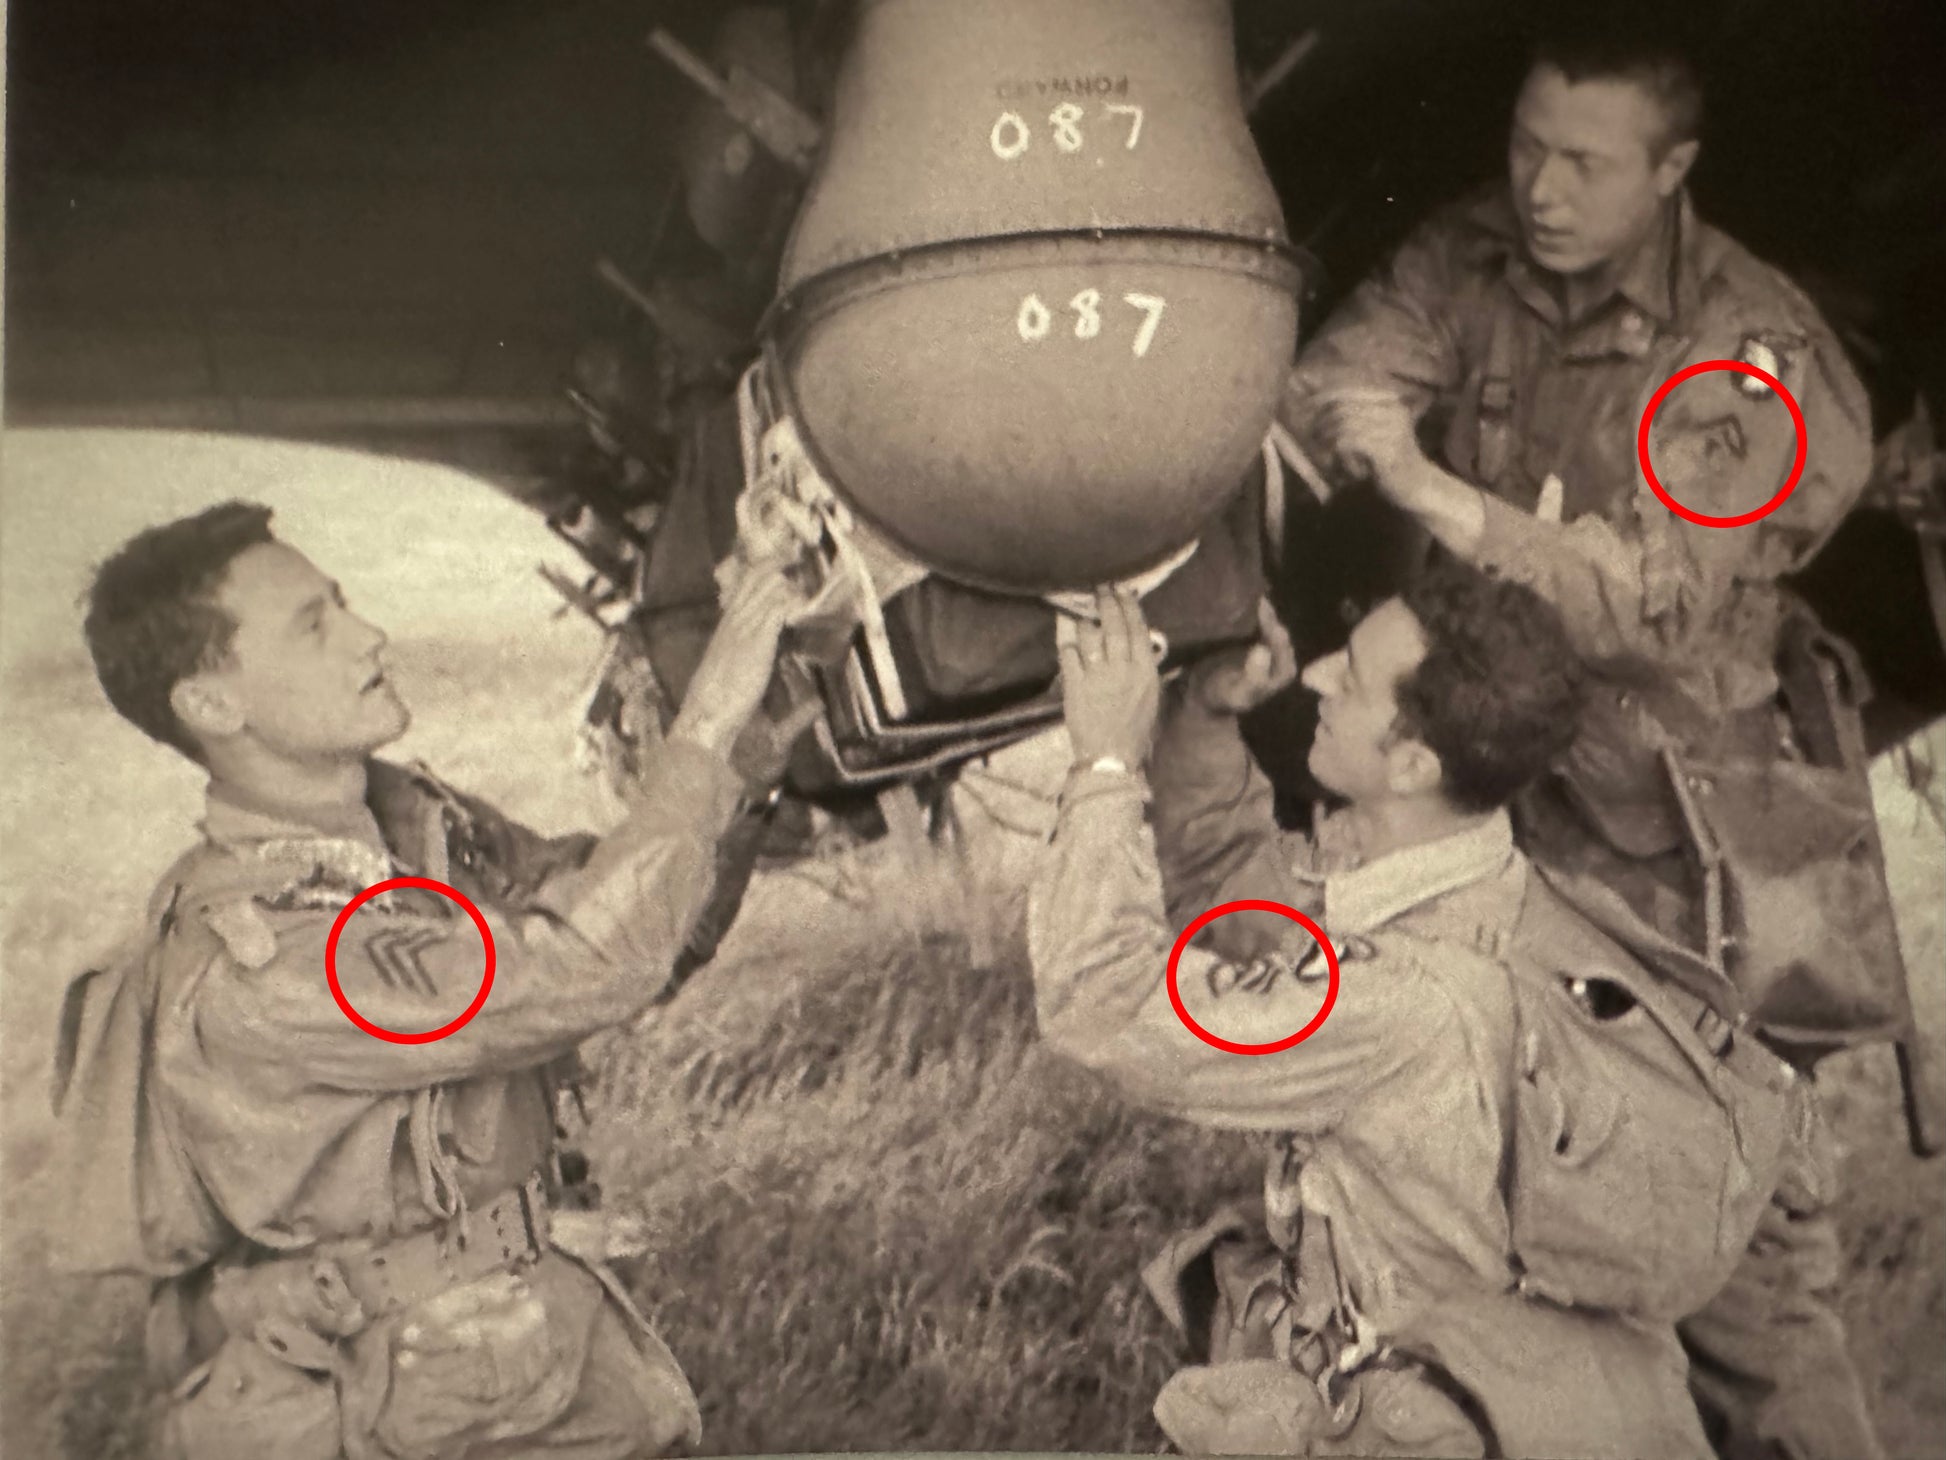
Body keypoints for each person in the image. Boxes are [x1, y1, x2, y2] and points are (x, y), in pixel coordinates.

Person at [1276, 17, 1893, 1460]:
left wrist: (1428, 490)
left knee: (1733, 1264)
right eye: (1523, 147)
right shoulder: (1473, 251)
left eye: (1583, 164)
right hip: (1505, 829)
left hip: (1675, 857)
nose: (1539, 190)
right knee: (1505, 1243)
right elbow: (1334, 377)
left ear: (1672, 171)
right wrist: (1360, 412)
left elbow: (1650, 600)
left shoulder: (1752, 357)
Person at [53, 500, 823, 1459]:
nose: (368, 635)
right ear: (212, 705)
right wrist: (711, 707)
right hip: (407, 1406)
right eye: (314, 625)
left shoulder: (416, 828)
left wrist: (742, 769)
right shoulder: (272, 960)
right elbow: (588, 963)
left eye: (343, 602)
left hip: (517, 1360)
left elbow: (648, 927)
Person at [1026, 572, 1796, 1459]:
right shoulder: (1493, 885)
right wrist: (1203, 718)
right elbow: (1250, 915)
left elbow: (1102, 1004)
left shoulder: (1402, 1002)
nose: (1315, 675)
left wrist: (1106, 762)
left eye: (1350, 678)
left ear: (1413, 766)